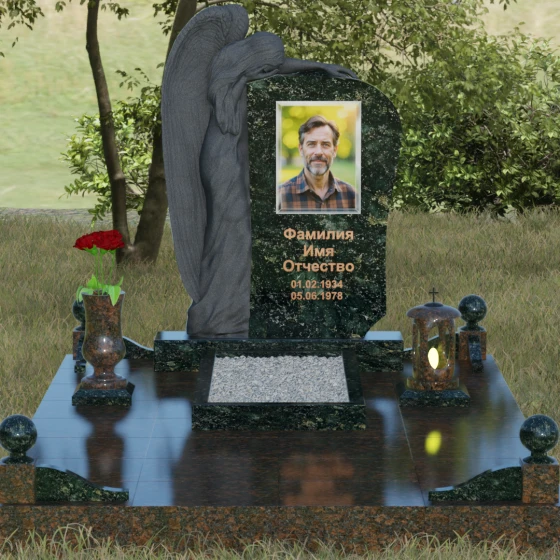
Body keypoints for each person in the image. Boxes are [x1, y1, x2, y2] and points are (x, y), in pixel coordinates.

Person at [162, 5, 358, 338]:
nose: (272, 74)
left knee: (237, 235)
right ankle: (217, 316)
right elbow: (269, 68)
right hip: (222, 164)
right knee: (231, 233)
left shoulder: (238, 71)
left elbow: (279, 64)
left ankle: (233, 312)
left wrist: (319, 67)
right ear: (250, 66)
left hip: (230, 161)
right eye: (265, 69)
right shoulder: (225, 87)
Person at [278, 115, 357, 212]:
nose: (319, 152)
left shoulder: (352, 196)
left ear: (335, 150)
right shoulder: (279, 197)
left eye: (325, 144)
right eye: (311, 144)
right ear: (301, 149)